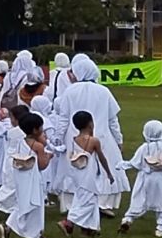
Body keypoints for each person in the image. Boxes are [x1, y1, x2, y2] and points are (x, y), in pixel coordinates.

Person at [53, 56, 128, 217]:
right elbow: (112, 119)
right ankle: (103, 203)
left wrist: (58, 138)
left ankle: (74, 204)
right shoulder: (103, 91)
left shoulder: (70, 91)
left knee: (75, 167)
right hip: (101, 136)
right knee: (101, 168)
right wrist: (119, 139)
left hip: (75, 137)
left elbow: (63, 118)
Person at [56, 110, 114, 238]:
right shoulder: (94, 141)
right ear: (90, 124)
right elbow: (102, 158)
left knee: (88, 200)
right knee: (87, 201)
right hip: (89, 175)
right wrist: (109, 173)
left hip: (78, 174)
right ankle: (69, 222)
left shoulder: (73, 139)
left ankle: (90, 228)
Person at [118, 120, 162, 237]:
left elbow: (135, 163)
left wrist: (124, 164)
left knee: (139, 199)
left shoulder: (144, 148)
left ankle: (128, 219)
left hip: (146, 177)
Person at [0, 112, 50, 238]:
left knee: (24, 203)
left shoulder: (21, 142)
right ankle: (33, 235)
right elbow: (42, 166)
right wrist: (48, 157)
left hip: (22, 177)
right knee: (35, 205)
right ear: (35, 130)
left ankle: (27, 232)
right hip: (33, 178)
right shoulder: (38, 146)